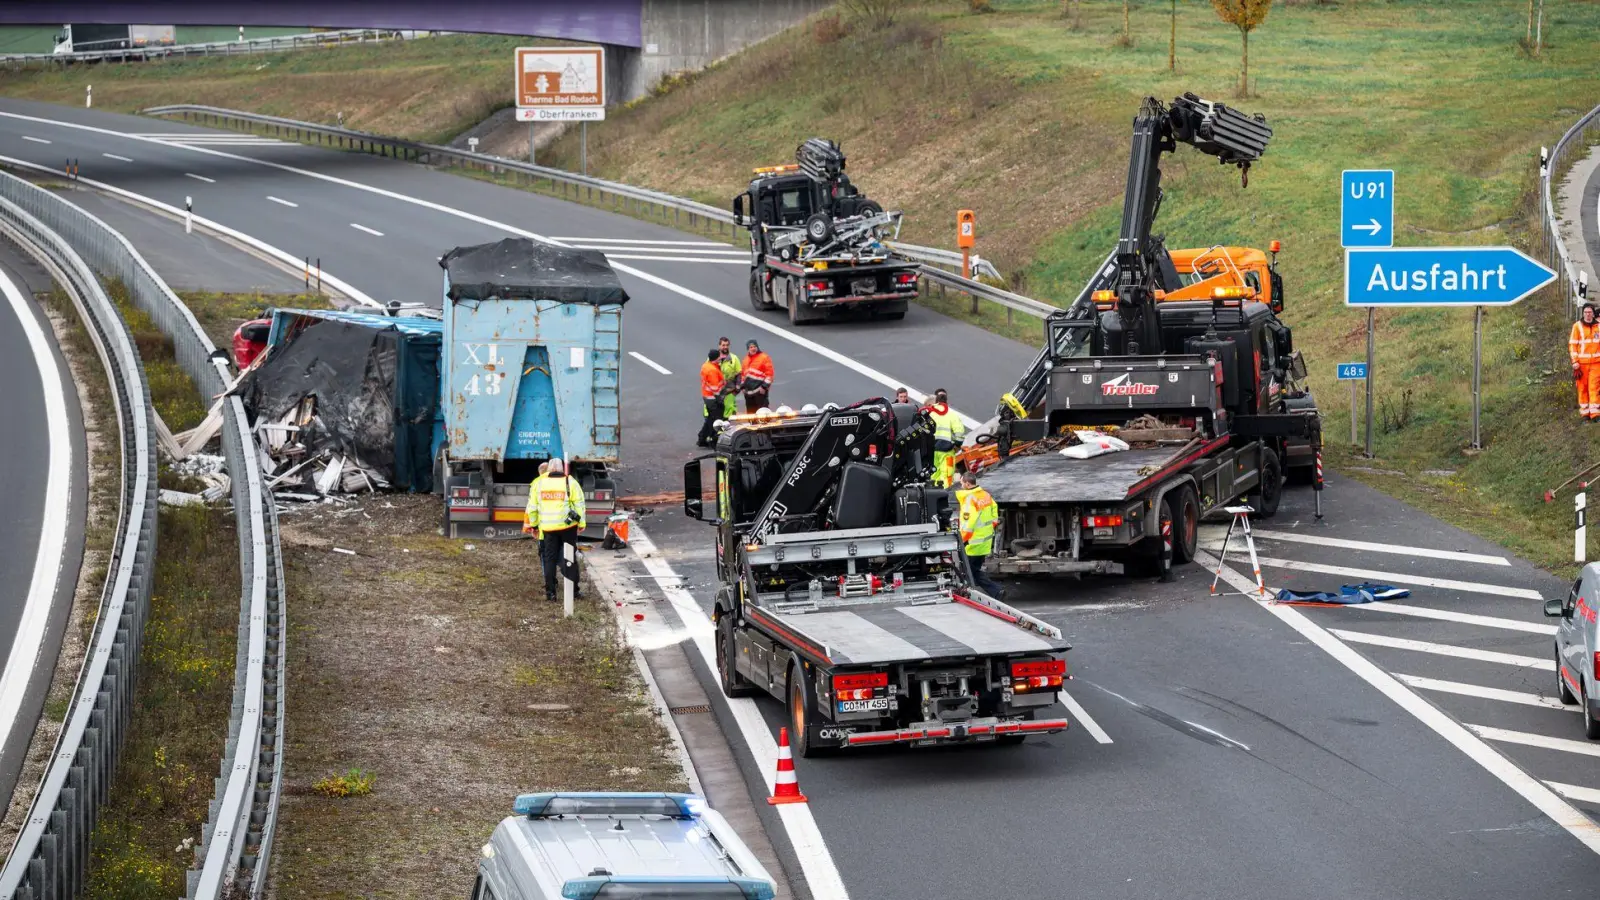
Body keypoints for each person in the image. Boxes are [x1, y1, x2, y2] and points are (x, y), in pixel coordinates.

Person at [523, 458, 586, 604]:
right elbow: (579, 505)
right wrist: (581, 523)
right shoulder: (570, 482)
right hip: (567, 527)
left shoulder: (540, 483)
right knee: (570, 558)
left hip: (548, 529)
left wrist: (534, 525)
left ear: (549, 470)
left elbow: (532, 507)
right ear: (562, 469)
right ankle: (573, 591)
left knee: (549, 559)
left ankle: (551, 593)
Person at [956, 471, 1004, 599]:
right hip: (985, 540)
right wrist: (991, 526)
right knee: (974, 569)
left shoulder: (969, 499)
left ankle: (996, 591)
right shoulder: (985, 495)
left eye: (961, 482)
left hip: (973, 542)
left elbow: (968, 523)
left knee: (970, 571)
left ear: (967, 483)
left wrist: (961, 539)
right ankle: (985, 591)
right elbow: (994, 510)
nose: (960, 485)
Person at [924, 388, 965, 488]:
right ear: (946, 401)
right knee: (947, 475)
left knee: (934, 474)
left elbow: (924, 432)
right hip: (947, 451)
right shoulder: (951, 415)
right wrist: (957, 446)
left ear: (936, 401)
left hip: (933, 451)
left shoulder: (930, 414)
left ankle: (933, 494)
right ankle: (945, 497)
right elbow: (960, 433)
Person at [1572, 303, 1600, 422]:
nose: (1588, 314)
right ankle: (1585, 414)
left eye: (1590, 312)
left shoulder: (1598, 326)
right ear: (1583, 313)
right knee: (1582, 389)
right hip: (1581, 364)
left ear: (1593, 314)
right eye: (1585, 312)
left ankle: (1595, 414)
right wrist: (1574, 362)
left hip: (1596, 363)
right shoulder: (1577, 326)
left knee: (1594, 388)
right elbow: (1573, 344)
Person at [697, 348, 725, 447]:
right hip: (713, 399)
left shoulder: (706, 366)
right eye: (719, 358)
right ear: (715, 359)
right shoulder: (712, 370)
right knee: (716, 420)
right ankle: (713, 440)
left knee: (710, 419)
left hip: (707, 397)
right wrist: (720, 398)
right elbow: (715, 388)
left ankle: (702, 438)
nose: (720, 359)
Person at [743, 340, 775, 413]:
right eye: (751, 347)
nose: (753, 348)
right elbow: (743, 375)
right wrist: (743, 387)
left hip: (760, 392)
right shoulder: (745, 360)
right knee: (751, 415)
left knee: (763, 414)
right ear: (748, 349)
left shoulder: (764, 357)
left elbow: (770, 374)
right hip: (749, 393)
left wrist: (764, 387)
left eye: (754, 346)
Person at [717, 336, 743, 419]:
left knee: (730, 413)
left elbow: (739, 374)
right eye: (723, 345)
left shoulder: (734, 358)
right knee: (717, 412)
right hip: (717, 391)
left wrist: (737, 388)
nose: (725, 347)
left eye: (727, 345)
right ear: (719, 346)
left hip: (729, 390)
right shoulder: (714, 358)